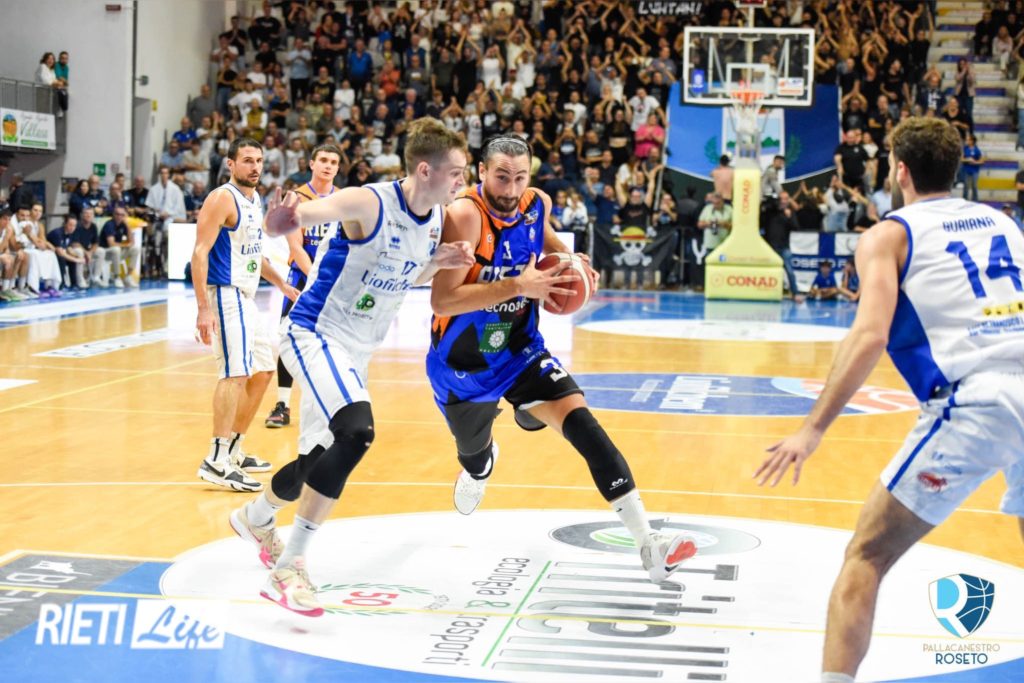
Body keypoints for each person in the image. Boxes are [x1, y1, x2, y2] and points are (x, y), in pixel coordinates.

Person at [754, 118, 1024, 683]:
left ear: (899, 171)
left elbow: (869, 336)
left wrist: (813, 427)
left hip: (979, 401)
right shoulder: (1003, 222)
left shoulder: (889, 235)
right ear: (956, 168)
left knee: (867, 556)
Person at [229, 118, 475, 616]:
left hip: (358, 349)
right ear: (425, 170)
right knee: (357, 431)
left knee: (317, 459)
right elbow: (315, 210)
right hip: (316, 332)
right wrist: (285, 219)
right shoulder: (370, 201)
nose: (461, 182)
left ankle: (256, 516)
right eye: (455, 173)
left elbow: (403, 273)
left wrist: (439, 261)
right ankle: (289, 568)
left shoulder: (434, 218)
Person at [427, 135, 697, 588]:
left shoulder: (537, 205)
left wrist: (576, 266)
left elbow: (552, 250)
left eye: (520, 177)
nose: (511, 189)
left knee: (585, 426)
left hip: (521, 351)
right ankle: (482, 462)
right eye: (501, 177)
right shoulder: (466, 216)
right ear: (481, 172)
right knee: (474, 458)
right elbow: (443, 300)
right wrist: (518, 285)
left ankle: (649, 543)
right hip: (463, 366)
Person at [192, 137, 298, 493]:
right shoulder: (222, 198)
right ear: (231, 164)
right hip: (225, 293)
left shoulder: (254, 201)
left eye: (259, 160)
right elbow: (199, 253)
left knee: (264, 370)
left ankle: (234, 449)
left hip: (247, 296)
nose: (255, 167)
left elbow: (255, 256)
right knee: (234, 373)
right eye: (248, 160)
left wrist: (283, 285)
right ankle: (216, 459)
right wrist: (203, 309)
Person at [264, 143, 343, 429]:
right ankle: (282, 405)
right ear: (311, 164)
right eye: (323, 160)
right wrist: (314, 279)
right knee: (290, 339)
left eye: (333, 162)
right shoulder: (295, 198)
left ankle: (328, 404)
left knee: (331, 343)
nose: (328, 166)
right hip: (301, 278)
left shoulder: (343, 199)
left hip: (334, 278)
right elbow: (295, 246)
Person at [100, 207, 141, 288]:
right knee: (116, 249)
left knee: (135, 249)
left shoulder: (123, 225)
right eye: (117, 214)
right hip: (106, 252)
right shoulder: (109, 225)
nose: (119, 217)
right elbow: (111, 244)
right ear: (113, 215)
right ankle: (117, 277)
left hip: (117, 253)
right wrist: (125, 245)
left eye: (122, 215)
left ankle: (128, 277)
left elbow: (132, 242)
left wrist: (127, 225)